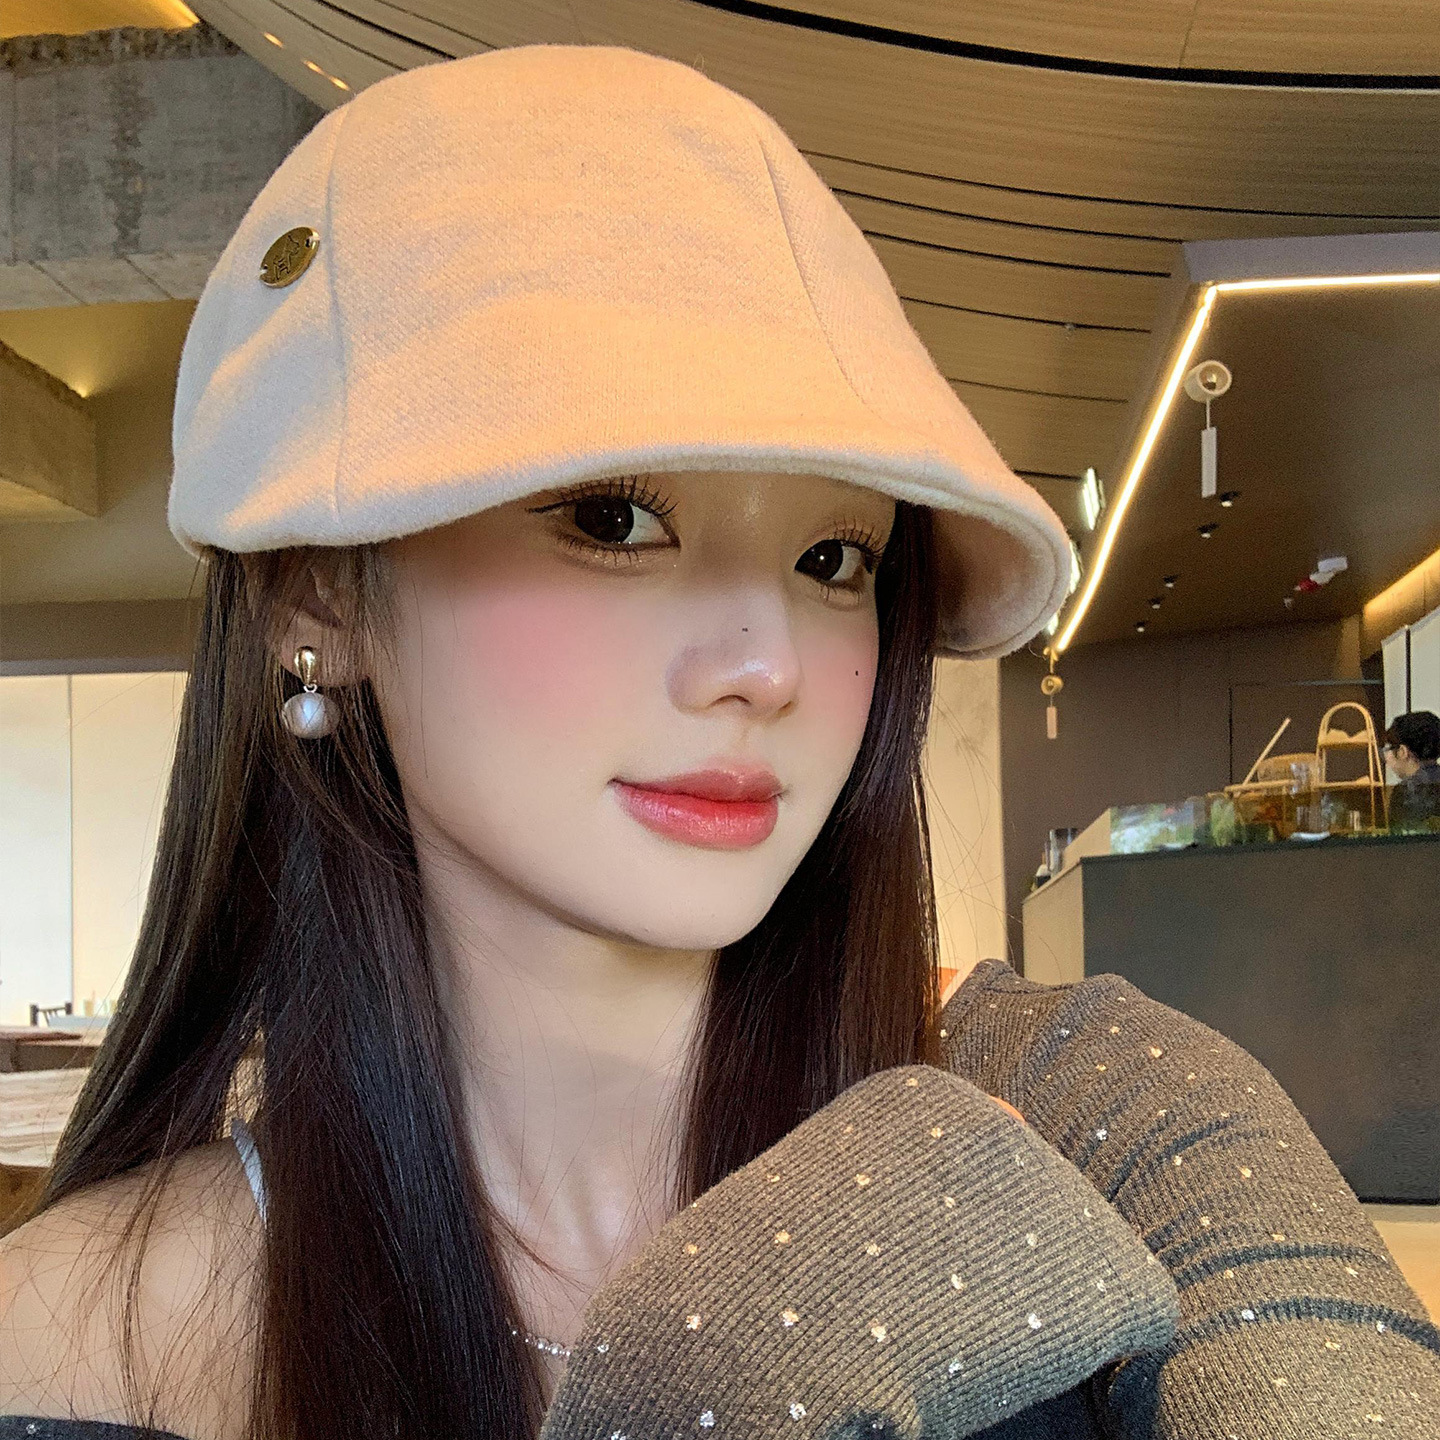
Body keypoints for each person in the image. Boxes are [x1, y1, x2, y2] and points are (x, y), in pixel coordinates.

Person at [2, 45, 1438, 1440]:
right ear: (318, 593)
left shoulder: (1095, 1105)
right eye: (614, 519)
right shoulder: (75, 1333)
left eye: (833, 558)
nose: (766, 666)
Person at [1385, 710, 1440, 832]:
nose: (1386, 757)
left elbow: (1401, 840)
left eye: (1387, 748)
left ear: (1402, 751)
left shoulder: (1405, 791)